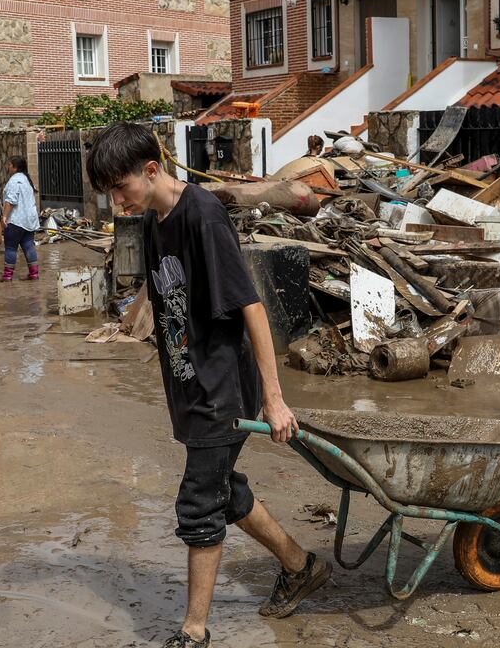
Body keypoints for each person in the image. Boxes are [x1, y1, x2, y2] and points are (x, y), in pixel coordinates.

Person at [86, 122, 330, 648]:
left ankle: (194, 631)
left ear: (151, 169)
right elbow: (163, 294)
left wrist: (274, 399)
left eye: (119, 188)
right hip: (190, 388)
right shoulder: (154, 219)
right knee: (224, 491)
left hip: (223, 391)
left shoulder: (204, 217)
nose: (116, 201)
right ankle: (299, 564)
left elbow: (253, 308)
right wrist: (129, 322)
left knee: (199, 503)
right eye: (108, 192)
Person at [0, 156, 40, 282]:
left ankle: (7, 275)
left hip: (16, 220)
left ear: (13, 167)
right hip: (29, 220)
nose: (7, 167)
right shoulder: (27, 180)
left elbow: (10, 200)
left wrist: (4, 216)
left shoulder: (14, 181)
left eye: (9, 165)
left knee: (11, 247)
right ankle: (34, 273)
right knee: (28, 245)